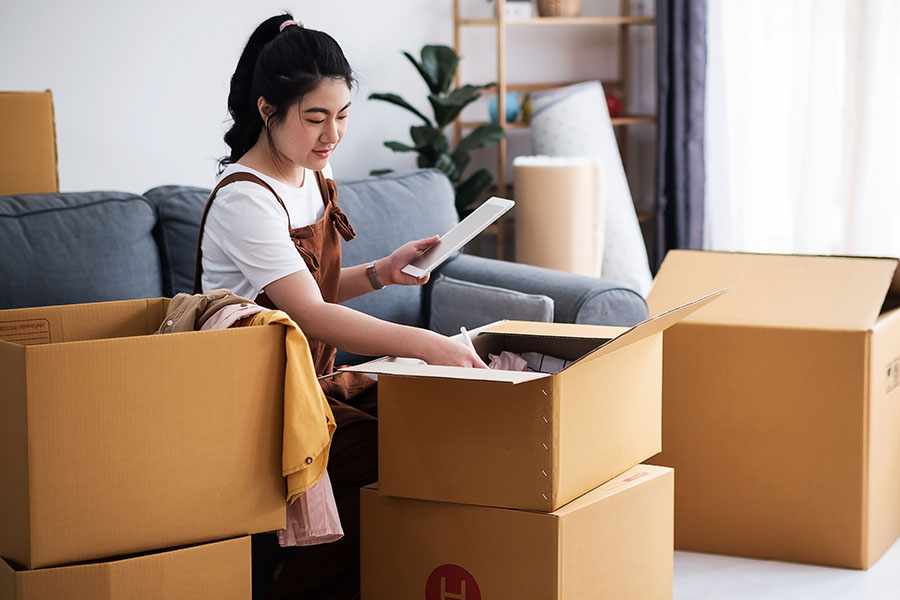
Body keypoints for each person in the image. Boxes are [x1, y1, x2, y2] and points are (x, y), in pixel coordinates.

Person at [195, 12, 487, 600]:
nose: (332, 135)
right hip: (257, 402)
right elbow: (309, 313)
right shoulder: (246, 199)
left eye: (343, 115)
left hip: (311, 383)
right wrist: (430, 346)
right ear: (267, 110)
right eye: (315, 118)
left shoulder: (311, 173)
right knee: (391, 451)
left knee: (430, 422)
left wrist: (382, 272)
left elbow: (312, 288)